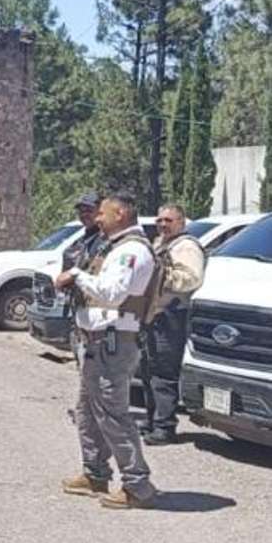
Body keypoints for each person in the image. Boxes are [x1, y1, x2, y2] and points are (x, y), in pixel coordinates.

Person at [55, 192, 160, 509]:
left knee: (113, 414)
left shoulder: (131, 251)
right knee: (87, 410)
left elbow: (112, 293)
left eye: (103, 212)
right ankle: (95, 473)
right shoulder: (114, 247)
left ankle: (138, 485)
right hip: (97, 341)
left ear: (123, 213)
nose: (97, 218)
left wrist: (76, 274)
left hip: (113, 343)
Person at [140, 204, 206, 445]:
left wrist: (160, 276)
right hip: (153, 316)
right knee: (148, 371)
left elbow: (191, 279)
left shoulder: (186, 246)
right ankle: (151, 420)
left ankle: (164, 427)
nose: (163, 225)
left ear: (181, 222)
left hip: (171, 316)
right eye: (160, 220)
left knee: (164, 374)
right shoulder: (161, 244)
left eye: (169, 220)